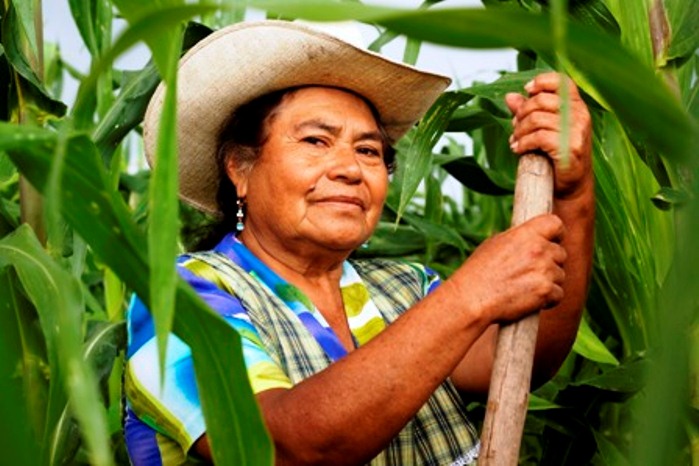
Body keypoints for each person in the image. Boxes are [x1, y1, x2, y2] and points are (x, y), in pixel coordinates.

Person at [124, 19, 594, 466]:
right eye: (315, 141)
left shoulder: (405, 288)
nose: (350, 168)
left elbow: (518, 359)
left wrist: (572, 195)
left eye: (368, 150)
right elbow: (284, 448)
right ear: (240, 169)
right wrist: (471, 295)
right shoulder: (176, 301)